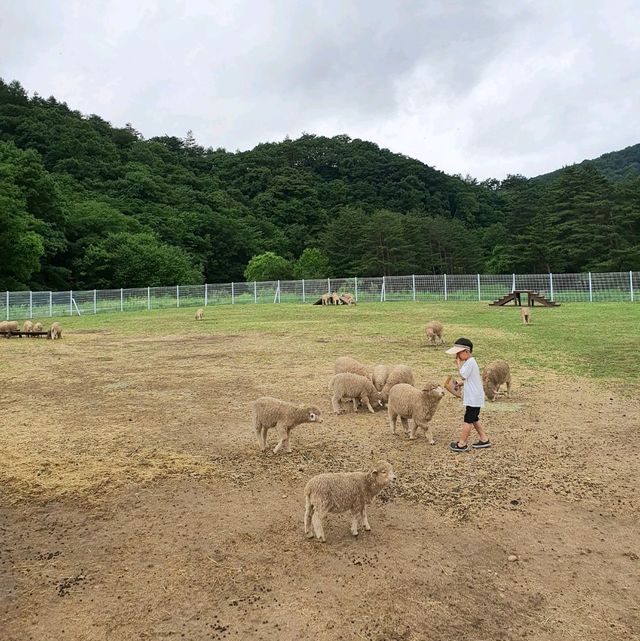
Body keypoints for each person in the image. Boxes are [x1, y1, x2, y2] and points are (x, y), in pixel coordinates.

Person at [445, 338, 491, 452]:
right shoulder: (470, 362)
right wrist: (461, 384)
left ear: (466, 351)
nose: (457, 356)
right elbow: (469, 378)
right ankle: (484, 439)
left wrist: (458, 364)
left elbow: (463, 375)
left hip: (474, 397)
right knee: (474, 418)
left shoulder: (470, 362)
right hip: (474, 396)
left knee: (468, 420)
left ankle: (462, 443)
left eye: (458, 353)